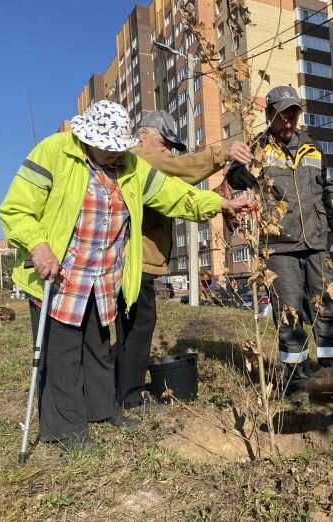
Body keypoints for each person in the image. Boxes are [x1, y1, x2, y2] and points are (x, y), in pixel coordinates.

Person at [0, 100, 251, 451]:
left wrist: (219, 204)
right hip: (59, 273)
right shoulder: (54, 152)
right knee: (63, 353)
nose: (117, 156)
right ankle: (67, 430)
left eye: (119, 149)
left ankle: (102, 410)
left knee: (98, 346)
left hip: (102, 277)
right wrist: (38, 246)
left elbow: (172, 194)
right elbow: (16, 208)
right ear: (90, 139)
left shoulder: (129, 165)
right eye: (109, 150)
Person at [115, 110, 252, 413]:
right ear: (142, 136)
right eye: (164, 143)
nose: (167, 151)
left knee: (131, 329)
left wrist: (221, 202)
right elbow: (178, 170)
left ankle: (121, 390)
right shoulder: (138, 156)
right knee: (137, 329)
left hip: (140, 262)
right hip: (136, 263)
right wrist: (222, 153)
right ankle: (131, 398)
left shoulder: (144, 164)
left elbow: (177, 193)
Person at [226, 85, 333, 399]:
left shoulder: (313, 148)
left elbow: (328, 190)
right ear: (269, 115)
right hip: (279, 246)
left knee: (328, 309)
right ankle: (296, 384)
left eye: (293, 114)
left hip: (317, 242)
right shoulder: (261, 149)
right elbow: (235, 178)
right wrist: (240, 163)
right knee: (289, 314)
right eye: (281, 115)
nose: (288, 121)